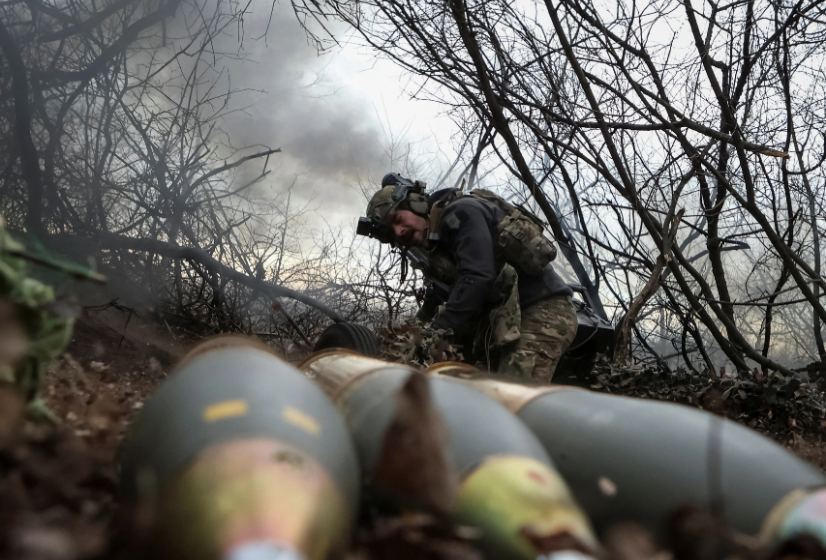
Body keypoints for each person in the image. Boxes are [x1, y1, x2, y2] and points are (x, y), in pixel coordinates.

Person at [359, 172, 578, 382]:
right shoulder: (439, 243)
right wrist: (417, 327)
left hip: (542, 312)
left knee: (513, 401)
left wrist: (435, 331)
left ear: (416, 204)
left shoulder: (460, 212)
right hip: (506, 321)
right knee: (481, 391)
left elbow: (477, 275)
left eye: (398, 219)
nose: (398, 232)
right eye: (391, 232)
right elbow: (440, 291)